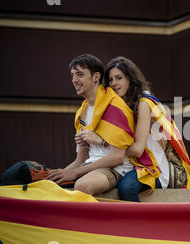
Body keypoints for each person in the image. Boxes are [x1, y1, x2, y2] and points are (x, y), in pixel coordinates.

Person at [77, 56, 190, 202]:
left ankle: (141, 224)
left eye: (119, 78)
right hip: (134, 165)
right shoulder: (119, 106)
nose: (114, 83)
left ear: (130, 79)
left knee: (127, 188)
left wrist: (102, 142)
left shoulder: (143, 104)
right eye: (111, 80)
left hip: (153, 167)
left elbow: (138, 149)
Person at [46, 54, 135, 195]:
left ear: (96, 77)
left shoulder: (115, 106)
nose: (74, 80)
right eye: (72, 75)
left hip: (116, 169)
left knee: (83, 186)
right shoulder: (81, 112)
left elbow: (117, 157)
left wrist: (75, 173)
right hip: (91, 166)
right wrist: (59, 175)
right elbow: (81, 158)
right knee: (48, 187)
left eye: (80, 74)